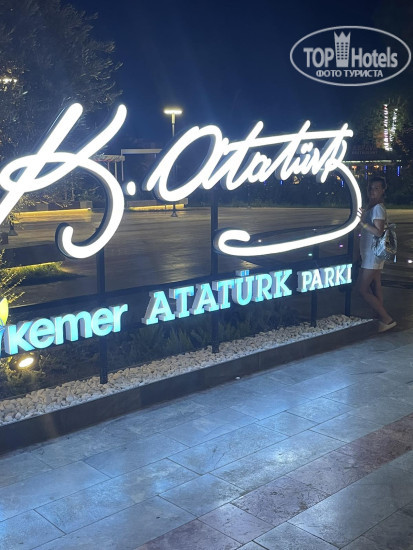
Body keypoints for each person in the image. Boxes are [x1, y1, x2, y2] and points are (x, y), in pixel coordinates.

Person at [356, 176, 396, 333]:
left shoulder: (378, 208)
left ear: (383, 190)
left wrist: (362, 223)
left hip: (372, 254)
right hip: (372, 254)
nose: (372, 191)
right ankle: (380, 316)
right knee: (376, 285)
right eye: (370, 188)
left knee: (362, 289)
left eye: (377, 188)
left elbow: (379, 232)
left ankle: (386, 318)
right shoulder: (373, 206)